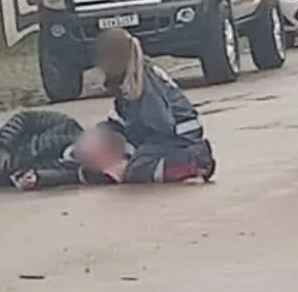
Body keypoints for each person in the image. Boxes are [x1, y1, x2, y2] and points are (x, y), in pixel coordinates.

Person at [92, 28, 215, 184]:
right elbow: (122, 116)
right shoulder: (127, 78)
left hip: (179, 136)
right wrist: (105, 133)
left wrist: (137, 145)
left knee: (137, 168)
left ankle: (194, 162)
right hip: (164, 135)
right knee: (128, 155)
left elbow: (162, 123)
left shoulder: (143, 80)